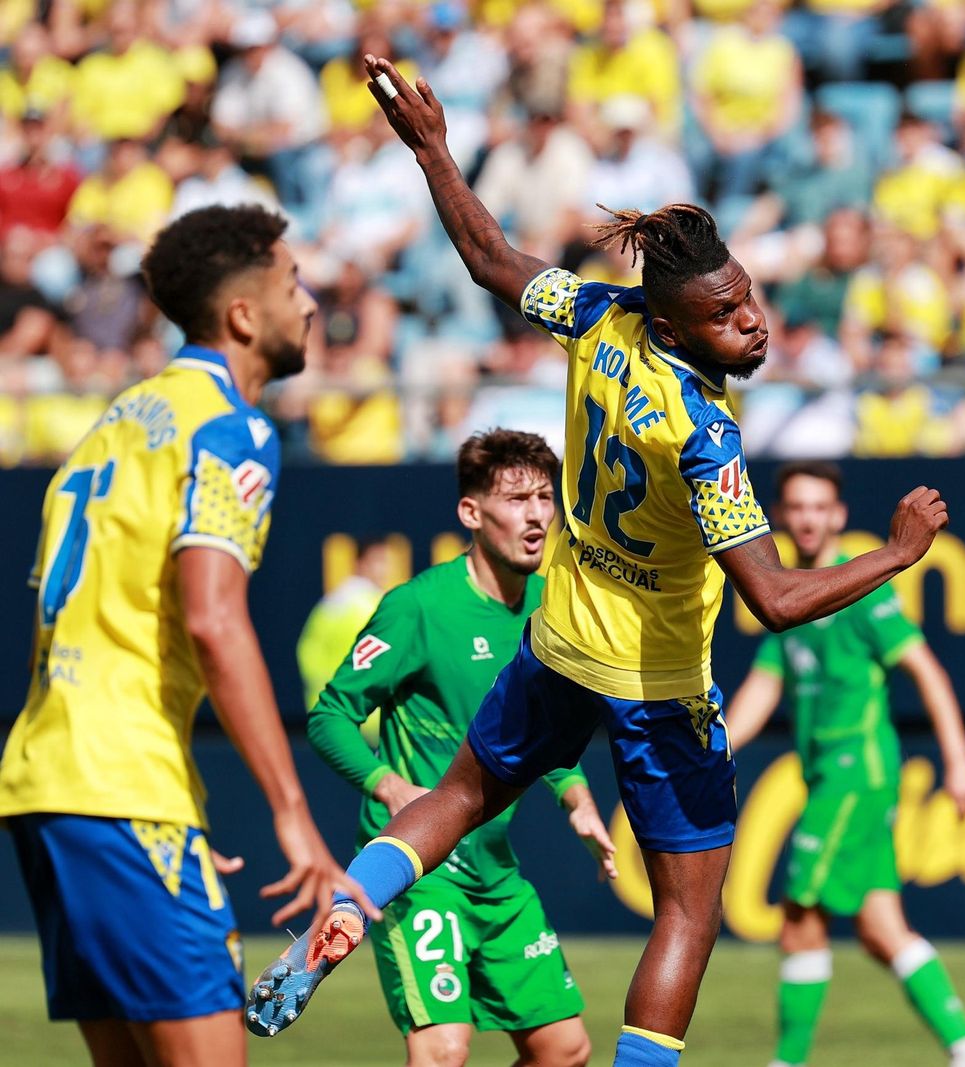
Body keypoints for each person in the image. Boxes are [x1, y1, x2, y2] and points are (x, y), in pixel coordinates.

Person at [248, 57, 951, 1067]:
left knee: (454, 796)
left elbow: (489, 255)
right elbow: (776, 598)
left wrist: (434, 149)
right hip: (656, 683)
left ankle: (350, 905)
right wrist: (896, 550)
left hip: (561, 640)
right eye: (725, 313)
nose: (751, 319)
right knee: (687, 912)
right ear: (674, 326)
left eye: (747, 298)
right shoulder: (703, 433)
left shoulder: (597, 316)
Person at [0, 204, 374, 1067]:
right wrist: (291, 814)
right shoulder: (231, 424)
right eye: (292, 282)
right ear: (244, 314)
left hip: (52, 785)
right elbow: (212, 614)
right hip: (124, 788)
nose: (311, 302)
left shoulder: (111, 425)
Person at [308, 430, 616, 1067]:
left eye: (543, 497)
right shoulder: (417, 607)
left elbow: (543, 737)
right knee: (443, 1053)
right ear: (472, 513)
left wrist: (577, 796)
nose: (536, 515)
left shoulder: (549, 607)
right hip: (421, 872)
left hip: (495, 874)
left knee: (566, 1050)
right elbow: (331, 714)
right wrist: (391, 787)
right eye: (515, 499)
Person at [723, 460, 965, 1067]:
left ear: (838, 516)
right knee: (881, 929)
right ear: (783, 516)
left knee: (798, 913)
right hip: (831, 776)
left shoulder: (864, 590)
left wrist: (959, 762)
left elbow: (927, 670)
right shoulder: (790, 598)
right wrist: (711, 755)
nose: (809, 518)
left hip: (856, 773)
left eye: (820, 507)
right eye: (798, 506)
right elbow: (760, 695)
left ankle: (785, 1063)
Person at [296, 535, 391, 711]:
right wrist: (327, 689)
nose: (383, 569)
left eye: (385, 561)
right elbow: (310, 647)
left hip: (367, 709)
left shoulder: (380, 601)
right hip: (343, 707)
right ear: (360, 562)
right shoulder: (341, 600)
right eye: (377, 561)